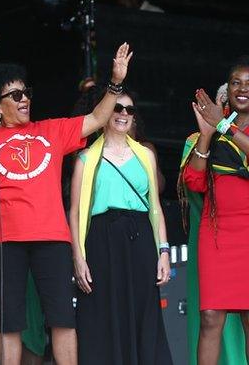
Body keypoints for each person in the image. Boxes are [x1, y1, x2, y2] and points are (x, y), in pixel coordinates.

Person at [0, 43, 133, 365]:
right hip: (3, 239)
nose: (25, 99)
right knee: (9, 321)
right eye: (15, 95)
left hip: (52, 237)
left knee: (62, 317)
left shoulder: (51, 130)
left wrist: (115, 82)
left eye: (26, 92)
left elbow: (98, 118)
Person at [69, 91, 172, 364]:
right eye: (117, 108)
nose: (124, 114)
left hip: (140, 239)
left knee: (143, 313)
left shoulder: (145, 155)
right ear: (103, 113)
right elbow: (75, 211)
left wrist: (163, 251)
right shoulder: (86, 158)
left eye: (129, 109)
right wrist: (78, 257)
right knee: (102, 313)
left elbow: (155, 207)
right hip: (100, 240)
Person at [183, 58, 249, 364]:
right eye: (236, 82)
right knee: (210, 316)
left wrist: (223, 125)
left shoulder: (229, 127)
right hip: (217, 232)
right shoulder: (216, 128)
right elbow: (195, 182)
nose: (242, 88)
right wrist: (207, 133)